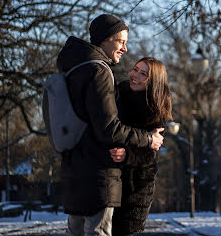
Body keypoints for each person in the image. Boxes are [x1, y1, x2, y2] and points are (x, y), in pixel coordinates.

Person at [56, 14, 164, 236]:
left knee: (74, 231)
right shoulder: (99, 71)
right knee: (98, 232)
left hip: (74, 169)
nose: (125, 48)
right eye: (121, 41)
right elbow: (109, 129)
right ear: (105, 39)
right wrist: (149, 139)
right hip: (98, 172)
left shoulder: (73, 68)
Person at [109, 57, 173, 236]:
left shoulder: (157, 109)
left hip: (137, 185)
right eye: (135, 69)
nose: (135, 75)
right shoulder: (118, 92)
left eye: (143, 73)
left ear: (153, 81)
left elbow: (150, 154)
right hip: (110, 176)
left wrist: (127, 154)